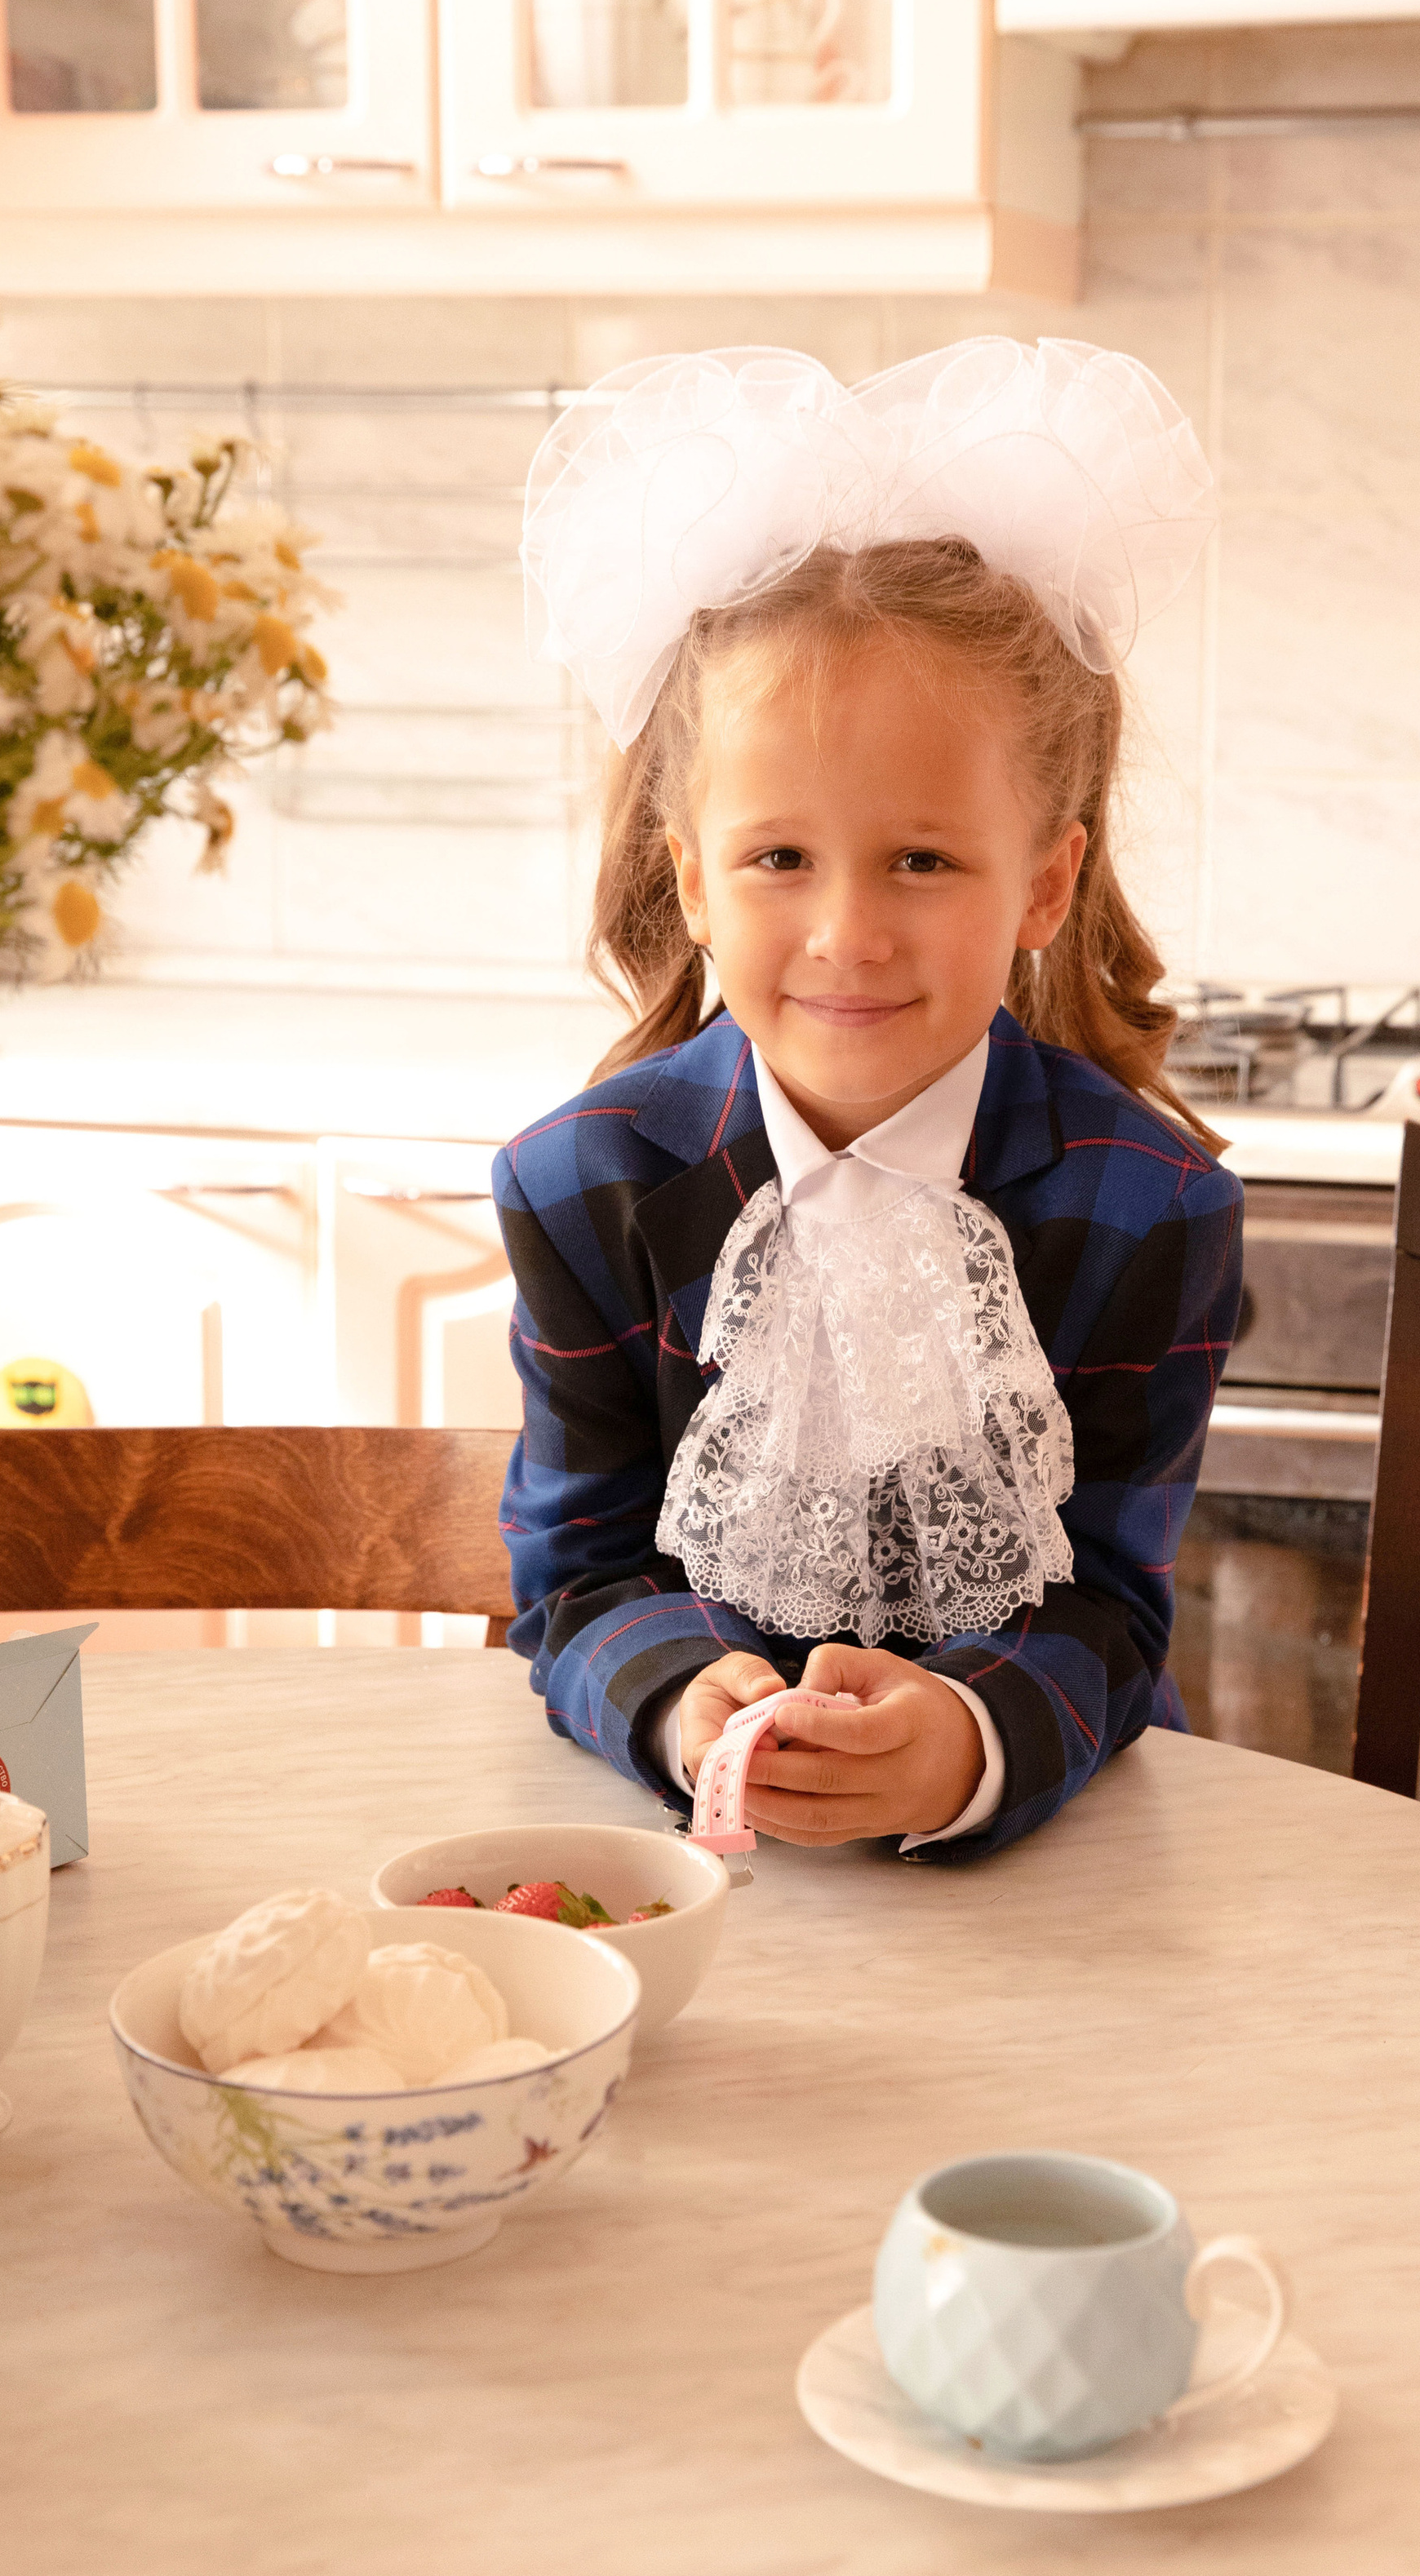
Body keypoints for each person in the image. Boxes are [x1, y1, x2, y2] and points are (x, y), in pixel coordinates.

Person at [494, 337, 1242, 1863]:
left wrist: (963, 1749)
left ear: (1043, 882)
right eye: (780, 858)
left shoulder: (1152, 1209)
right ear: (692, 879)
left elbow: (1112, 1604)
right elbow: (572, 1578)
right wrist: (678, 1702)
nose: (846, 934)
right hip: (690, 1868)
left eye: (921, 859)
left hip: (1049, 1890)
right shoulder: (580, 1189)